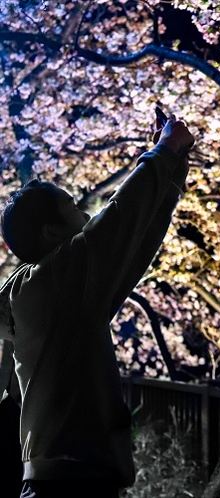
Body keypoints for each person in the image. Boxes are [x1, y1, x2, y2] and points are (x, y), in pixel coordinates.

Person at [0, 112, 194, 498]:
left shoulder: (56, 292)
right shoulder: (51, 281)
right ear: (51, 232)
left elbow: (133, 245)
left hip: (61, 478)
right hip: (70, 484)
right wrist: (162, 152)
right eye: (74, 207)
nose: (86, 214)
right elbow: (117, 222)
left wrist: (170, 173)